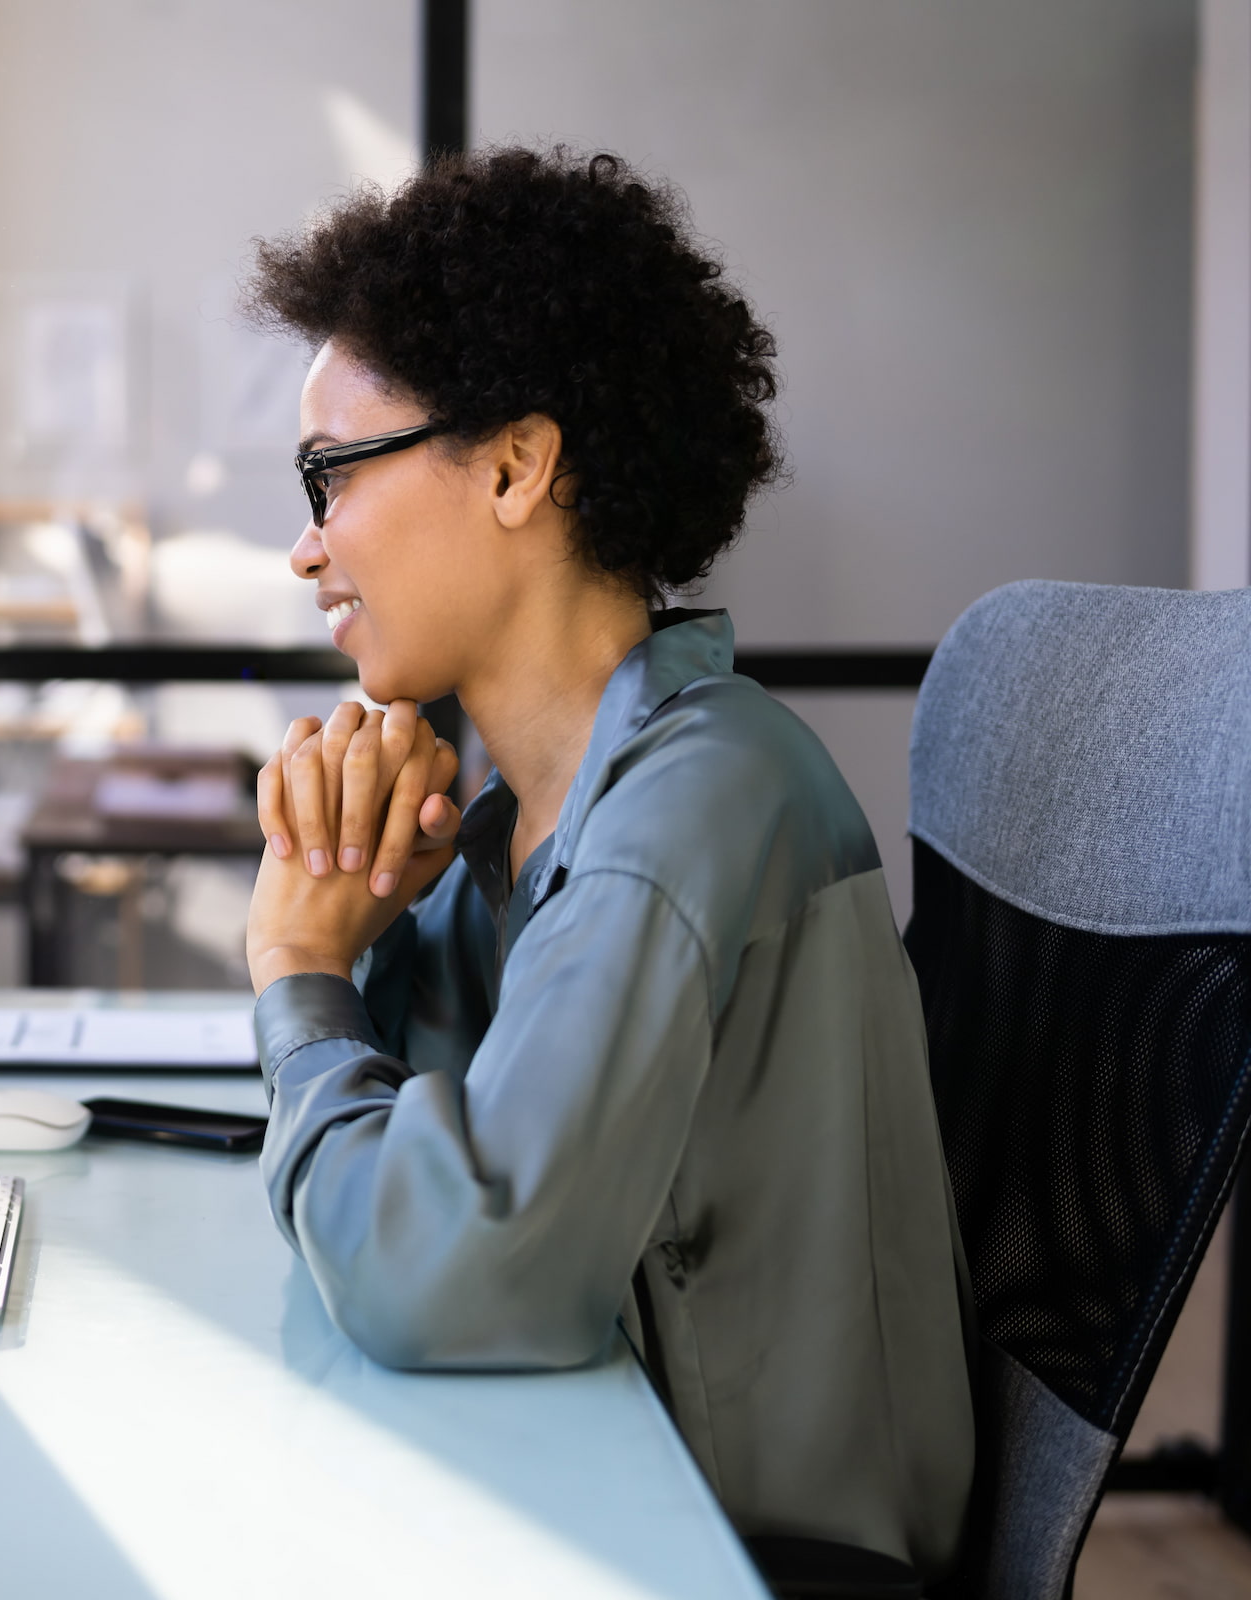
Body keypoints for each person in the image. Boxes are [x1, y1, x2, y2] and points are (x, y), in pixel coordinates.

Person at [236, 149, 969, 1575]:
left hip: (743, 1557)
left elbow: (441, 1279)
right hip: (597, 1482)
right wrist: (375, 914)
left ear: (516, 464)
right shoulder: (518, 798)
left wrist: (299, 965)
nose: (306, 550)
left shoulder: (695, 804)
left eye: (331, 475)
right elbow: (421, 1155)